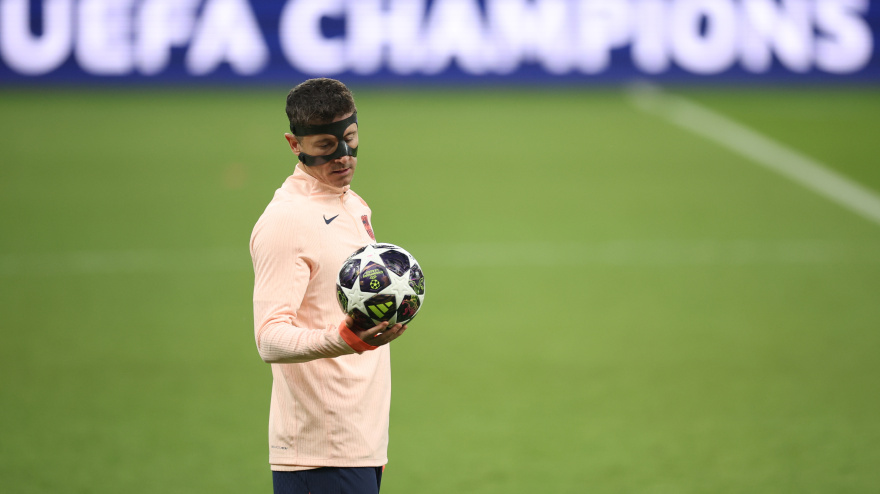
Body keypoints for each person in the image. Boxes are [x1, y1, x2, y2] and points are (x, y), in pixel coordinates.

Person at [250, 78, 407, 494]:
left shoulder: (352, 204)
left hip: (358, 443)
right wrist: (343, 338)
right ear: (294, 144)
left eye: (350, 138)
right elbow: (269, 338)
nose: (343, 156)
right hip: (319, 452)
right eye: (325, 145)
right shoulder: (288, 220)